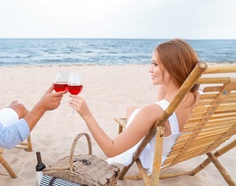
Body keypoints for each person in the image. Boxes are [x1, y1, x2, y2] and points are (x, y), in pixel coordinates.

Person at [69, 39, 200, 173]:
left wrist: (87, 115)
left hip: (160, 154)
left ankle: (132, 120)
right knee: (132, 110)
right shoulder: (200, 96)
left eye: (155, 64)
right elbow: (165, 104)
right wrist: (167, 81)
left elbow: (111, 150)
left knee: (133, 111)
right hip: (181, 149)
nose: (150, 69)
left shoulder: (151, 112)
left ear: (172, 68)